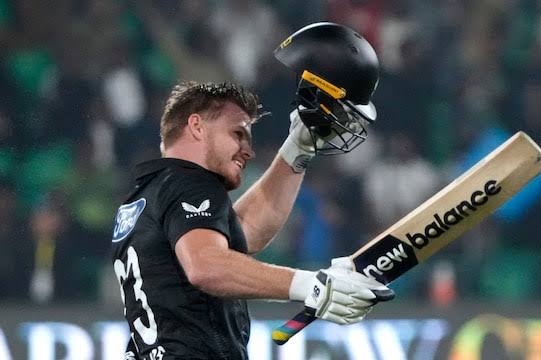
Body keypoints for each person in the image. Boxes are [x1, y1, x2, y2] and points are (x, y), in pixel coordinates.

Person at [111, 23, 393, 360]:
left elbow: (240, 237)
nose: (248, 150)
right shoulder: (188, 182)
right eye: (238, 133)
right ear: (197, 126)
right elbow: (207, 265)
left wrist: (296, 152)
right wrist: (311, 285)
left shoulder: (148, 196)